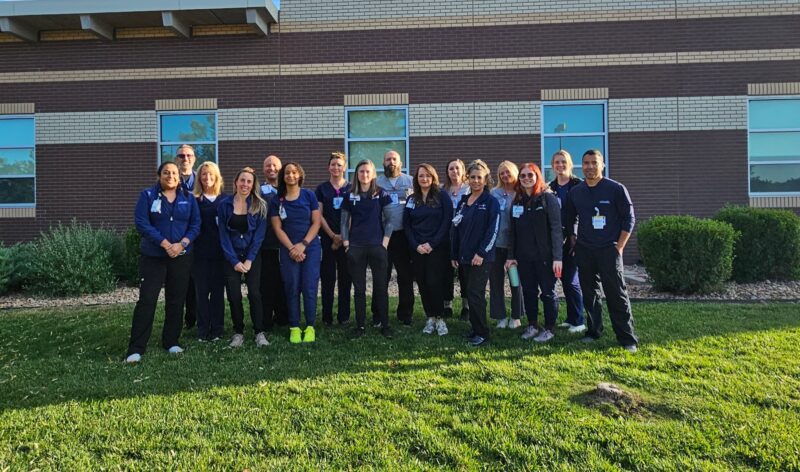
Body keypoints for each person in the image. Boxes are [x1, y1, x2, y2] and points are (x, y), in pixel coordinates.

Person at [126, 161, 200, 363]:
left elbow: (196, 224)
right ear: (159, 175)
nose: (171, 176)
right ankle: (136, 348)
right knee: (147, 300)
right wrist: (165, 243)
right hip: (153, 257)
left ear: (179, 177)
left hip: (181, 256)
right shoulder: (148, 195)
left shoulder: (188, 197)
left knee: (176, 300)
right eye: (166, 172)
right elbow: (142, 223)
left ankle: (171, 341)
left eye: (174, 173)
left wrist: (181, 244)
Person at [565, 149, 639, 353]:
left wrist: (619, 246)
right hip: (585, 250)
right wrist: (574, 240)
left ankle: (627, 338)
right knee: (589, 294)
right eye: (586, 163)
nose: (590, 166)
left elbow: (629, 219)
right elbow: (570, 218)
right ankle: (593, 331)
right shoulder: (576, 192)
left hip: (609, 249)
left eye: (594, 163)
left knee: (617, 294)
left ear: (602, 165)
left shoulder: (615, 188)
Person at [506, 163, 563, 343]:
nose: (526, 179)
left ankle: (549, 328)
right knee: (529, 292)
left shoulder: (548, 198)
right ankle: (532, 325)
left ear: (537, 176)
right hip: (524, 257)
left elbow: (556, 229)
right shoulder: (517, 201)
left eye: (530, 175)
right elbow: (512, 232)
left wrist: (557, 258)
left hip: (545, 257)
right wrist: (511, 256)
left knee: (548, 293)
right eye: (523, 176)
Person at [270, 162, 322, 343]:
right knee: (291, 286)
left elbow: (316, 222)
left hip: (310, 248)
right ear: (282, 176)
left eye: (294, 172)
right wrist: (293, 248)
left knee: (309, 287)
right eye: (287, 173)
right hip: (288, 249)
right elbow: (277, 228)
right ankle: (294, 327)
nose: (290, 175)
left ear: (300, 175)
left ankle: (309, 326)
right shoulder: (277, 200)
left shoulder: (309, 195)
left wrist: (303, 244)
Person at [341, 159, 394, 339]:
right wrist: (346, 244)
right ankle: (360, 326)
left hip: (377, 246)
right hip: (356, 247)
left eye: (368, 171)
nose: (364, 174)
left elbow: (390, 221)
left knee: (381, 288)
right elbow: (343, 222)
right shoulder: (349, 195)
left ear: (373, 174)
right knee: (359, 289)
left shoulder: (382, 194)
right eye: (361, 171)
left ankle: (385, 325)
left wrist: (384, 244)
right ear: (356, 174)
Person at [451, 159, 500, 347]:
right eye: (472, 177)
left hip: (481, 257)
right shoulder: (463, 202)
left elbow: (493, 230)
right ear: (468, 179)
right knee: (469, 293)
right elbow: (456, 228)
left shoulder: (491, 202)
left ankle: (482, 333)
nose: (476, 181)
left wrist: (481, 253)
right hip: (464, 257)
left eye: (480, 177)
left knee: (476, 294)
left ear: (486, 179)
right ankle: (475, 328)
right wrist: (454, 254)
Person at [219, 167, 269, 348]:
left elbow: (259, 236)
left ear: (253, 184)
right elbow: (223, 235)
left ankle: (259, 332)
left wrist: (249, 260)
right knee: (234, 295)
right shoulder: (224, 205)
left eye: (249, 181)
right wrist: (234, 261)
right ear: (236, 182)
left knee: (255, 293)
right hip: (231, 257)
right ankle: (238, 332)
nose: (245, 184)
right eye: (242, 180)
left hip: (251, 257)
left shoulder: (260, 205)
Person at [404, 164, 453, 336]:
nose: (424, 179)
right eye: (421, 176)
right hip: (417, 249)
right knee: (423, 282)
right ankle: (430, 317)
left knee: (434, 282)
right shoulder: (412, 199)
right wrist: (415, 245)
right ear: (416, 179)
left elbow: (447, 221)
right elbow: (407, 225)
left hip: (437, 248)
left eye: (427, 175)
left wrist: (432, 244)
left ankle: (440, 318)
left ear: (433, 177)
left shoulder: (442, 196)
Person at [548, 150, 586, 334]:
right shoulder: (550, 187)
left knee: (571, 280)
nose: (560, 165)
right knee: (563, 279)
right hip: (556, 241)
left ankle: (579, 321)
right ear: (552, 166)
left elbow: (582, 213)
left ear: (570, 164)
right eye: (557, 162)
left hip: (573, 240)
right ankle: (571, 318)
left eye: (563, 162)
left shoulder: (579, 185)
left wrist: (575, 236)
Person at [376, 150, 415, 326]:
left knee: (405, 276)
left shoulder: (410, 181)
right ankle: (378, 314)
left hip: (402, 235)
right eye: (388, 159)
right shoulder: (376, 183)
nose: (391, 162)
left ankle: (405, 314)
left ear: (400, 163)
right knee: (381, 276)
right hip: (382, 235)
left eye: (394, 159)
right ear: (383, 163)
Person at [315, 151, 352, 326]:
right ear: (328, 167)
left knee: (346, 278)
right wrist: (332, 236)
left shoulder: (351, 188)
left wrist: (343, 237)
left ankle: (344, 316)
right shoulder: (321, 189)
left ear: (344, 167)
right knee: (327, 278)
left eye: (339, 164)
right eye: (333, 164)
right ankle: (327, 317)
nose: (336, 167)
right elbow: (318, 215)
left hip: (347, 240)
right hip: (327, 239)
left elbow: (354, 214)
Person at [192, 161, 226, 342]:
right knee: (202, 292)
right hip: (200, 254)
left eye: (211, 174)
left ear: (217, 177)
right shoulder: (194, 200)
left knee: (218, 293)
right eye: (203, 174)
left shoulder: (225, 200)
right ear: (199, 178)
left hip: (220, 254)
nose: (207, 177)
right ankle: (203, 330)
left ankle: (217, 329)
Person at [489, 161, 523, 329]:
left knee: (515, 281)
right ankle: (500, 316)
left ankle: (516, 316)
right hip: (496, 245)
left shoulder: (521, 193)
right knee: (496, 282)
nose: (505, 175)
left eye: (508, 172)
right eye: (501, 173)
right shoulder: (494, 193)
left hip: (514, 247)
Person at [260, 155, 289, 331]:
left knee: (285, 283)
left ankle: (283, 317)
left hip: (287, 245)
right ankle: (266, 320)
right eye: (268, 165)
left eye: (275, 165)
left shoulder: (289, 189)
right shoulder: (258, 191)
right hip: (266, 245)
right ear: (263, 169)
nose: (272, 168)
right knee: (267, 284)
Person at [442, 158, 470, 320]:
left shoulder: (469, 189)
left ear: (463, 170)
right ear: (447, 172)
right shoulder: (442, 190)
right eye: (451, 168)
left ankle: (466, 306)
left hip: (464, 236)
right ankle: (447, 305)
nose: (455, 171)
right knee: (446, 273)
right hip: (446, 237)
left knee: (464, 273)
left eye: (457, 168)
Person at [175, 144, 197, 329]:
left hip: (199, 238)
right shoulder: (171, 180)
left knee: (197, 281)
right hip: (178, 239)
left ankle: (195, 316)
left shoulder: (202, 179)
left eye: (189, 155)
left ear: (194, 158)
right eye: (181, 156)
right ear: (177, 159)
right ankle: (186, 320)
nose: (185, 159)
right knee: (181, 282)